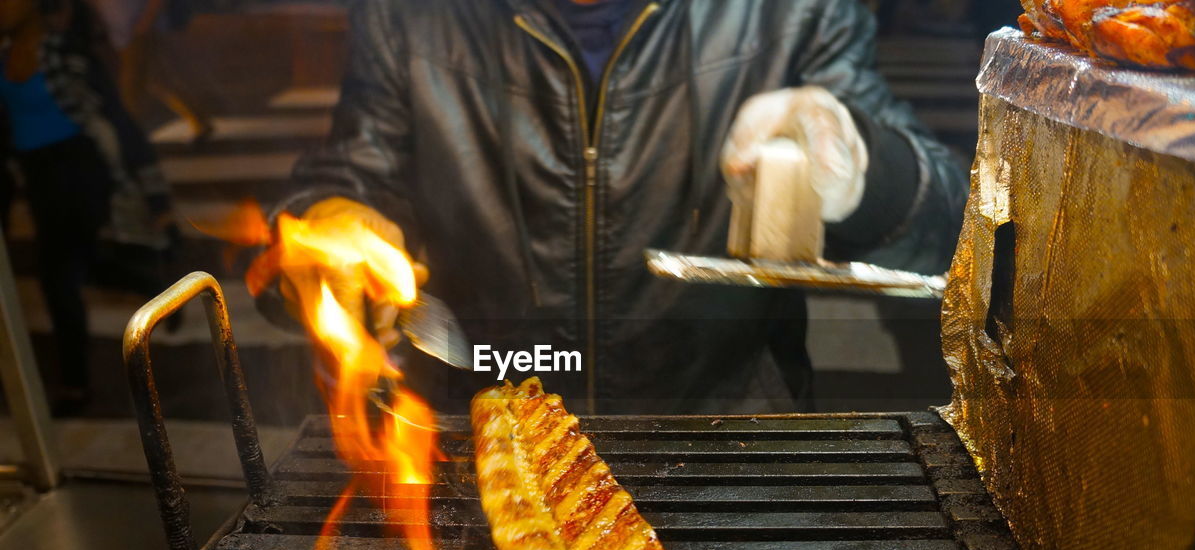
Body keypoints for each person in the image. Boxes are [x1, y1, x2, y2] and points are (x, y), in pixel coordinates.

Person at [266, 0, 968, 415]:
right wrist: (335, 221)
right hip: (485, 433)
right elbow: (360, 169)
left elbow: (958, 238)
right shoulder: (407, 15)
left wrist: (862, 171)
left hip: (727, 440)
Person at [0, 0, 181, 415]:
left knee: (58, 278)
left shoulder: (69, 52)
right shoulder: (4, 56)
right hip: (39, 179)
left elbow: (118, 120)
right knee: (89, 264)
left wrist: (157, 199)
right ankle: (156, 287)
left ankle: (75, 385)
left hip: (81, 171)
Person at [89, 0, 211, 140]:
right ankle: (198, 118)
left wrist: (146, 22)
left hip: (135, 30)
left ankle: (128, 135)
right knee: (156, 79)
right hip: (122, 31)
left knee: (132, 85)